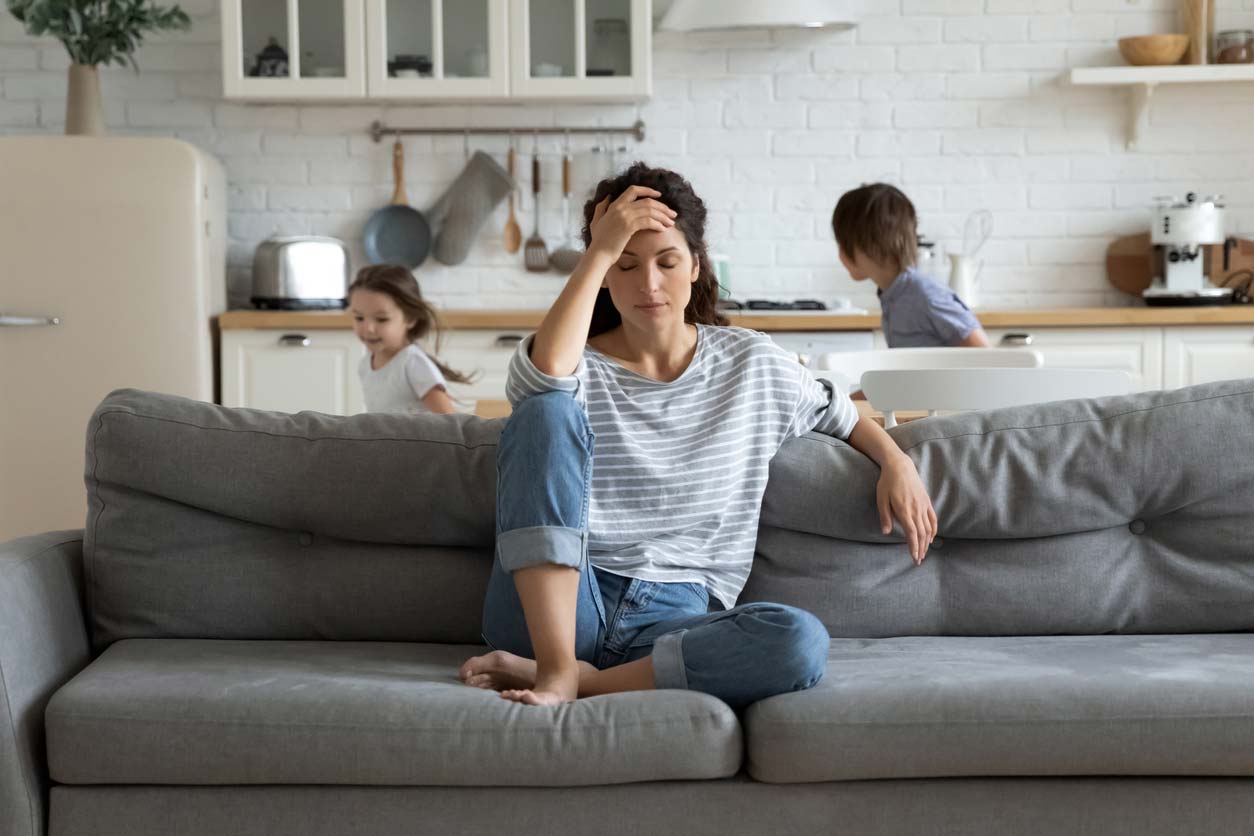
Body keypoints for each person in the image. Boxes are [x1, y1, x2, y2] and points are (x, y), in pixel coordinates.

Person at [458, 164, 938, 710]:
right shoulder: (574, 364)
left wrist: (897, 461)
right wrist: (597, 249)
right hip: (560, 599)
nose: (649, 284)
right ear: (605, 275)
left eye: (667, 262)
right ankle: (557, 661)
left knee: (799, 640)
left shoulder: (751, 363)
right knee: (545, 411)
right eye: (625, 263)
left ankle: (573, 679)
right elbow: (542, 379)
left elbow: (845, 417)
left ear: (695, 267)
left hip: (675, 617)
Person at [833, 183, 990, 348]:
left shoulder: (926, 295)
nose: (840, 254)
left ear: (869, 245)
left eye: (842, 244)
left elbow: (984, 354)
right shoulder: (893, 294)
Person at [347, 264, 472, 415]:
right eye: (359, 318)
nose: (368, 328)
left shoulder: (413, 363)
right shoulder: (365, 364)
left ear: (411, 318)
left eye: (381, 319)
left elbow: (450, 421)